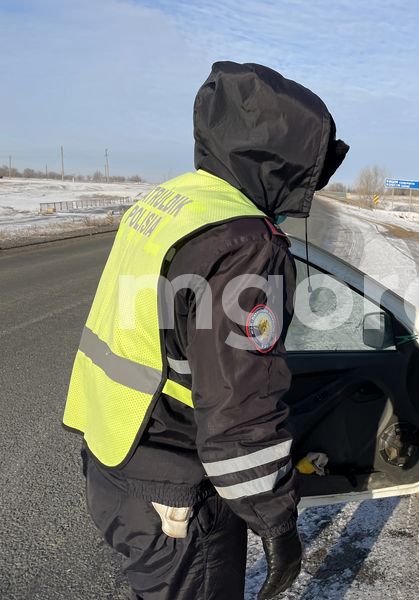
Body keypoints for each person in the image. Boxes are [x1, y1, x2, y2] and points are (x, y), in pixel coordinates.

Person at [62, 61, 348, 599]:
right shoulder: (244, 245)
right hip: (176, 489)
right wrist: (277, 524)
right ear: (286, 161)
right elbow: (239, 413)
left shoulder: (171, 201)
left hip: (114, 458)